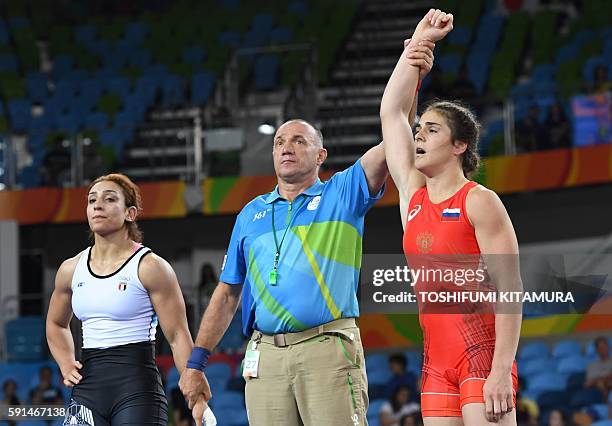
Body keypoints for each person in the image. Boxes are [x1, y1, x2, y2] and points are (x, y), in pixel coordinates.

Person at [381, 8, 522, 425]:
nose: (418, 134)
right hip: (435, 364)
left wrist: (501, 370)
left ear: (460, 146)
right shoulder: (413, 199)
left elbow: (511, 289)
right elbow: (391, 113)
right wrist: (418, 44)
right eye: (419, 127)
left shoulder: (480, 201)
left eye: (431, 129)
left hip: (484, 359)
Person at [45, 173, 206, 425]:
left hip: (137, 388)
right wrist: (66, 363)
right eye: (92, 200)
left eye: (109, 199)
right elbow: (56, 324)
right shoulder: (70, 269)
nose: (98, 205)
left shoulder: (151, 267)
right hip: (88, 388)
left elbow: (177, 336)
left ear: (130, 213)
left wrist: (196, 396)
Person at [585, 336, 612, 401]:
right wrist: (606, 378)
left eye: (605, 347)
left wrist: (603, 379)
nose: (603, 349)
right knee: (600, 383)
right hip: (598, 390)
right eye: (601, 348)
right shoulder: (592, 365)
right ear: (597, 350)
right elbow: (588, 383)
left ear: (608, 347)